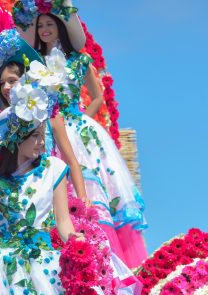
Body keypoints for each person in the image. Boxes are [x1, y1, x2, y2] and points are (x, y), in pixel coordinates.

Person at [0, 71, 140, 294]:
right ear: (15, 139)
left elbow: (63, 224)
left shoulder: (53, 169)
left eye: (42, 134)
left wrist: (75, 239)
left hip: (46, 266)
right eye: (35, 135)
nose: (41, 142)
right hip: (0, 266)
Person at [19, 2, 148, 267]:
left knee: (92, 191)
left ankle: (107, 261)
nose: (44, 29)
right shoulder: (32, 63)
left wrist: (83, 118)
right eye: (40, 25)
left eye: (49, 24)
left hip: (78, 131)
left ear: (60, 27)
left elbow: (99, 95)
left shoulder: (79, 60)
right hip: (47, 131)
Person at [0, 29, 89, 204]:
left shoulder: (50, 117)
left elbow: (72, 161)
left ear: (26, 81)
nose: (6, 87)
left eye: (12, 81)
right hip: (12, 203)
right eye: (1, 83)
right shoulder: (1, 122)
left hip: (48, 198)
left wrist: (83, 200)